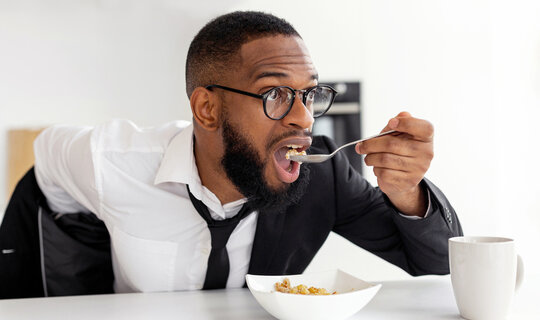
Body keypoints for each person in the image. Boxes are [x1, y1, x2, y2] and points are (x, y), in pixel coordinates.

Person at [0, 11, 462, 297]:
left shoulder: (324, 174)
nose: (303, 118)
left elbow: (439, 266)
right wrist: (79, 238)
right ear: (207, 108)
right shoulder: (113, 159)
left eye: (309, 94)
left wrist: (407, 192)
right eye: (276, 94)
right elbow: (46, 158)